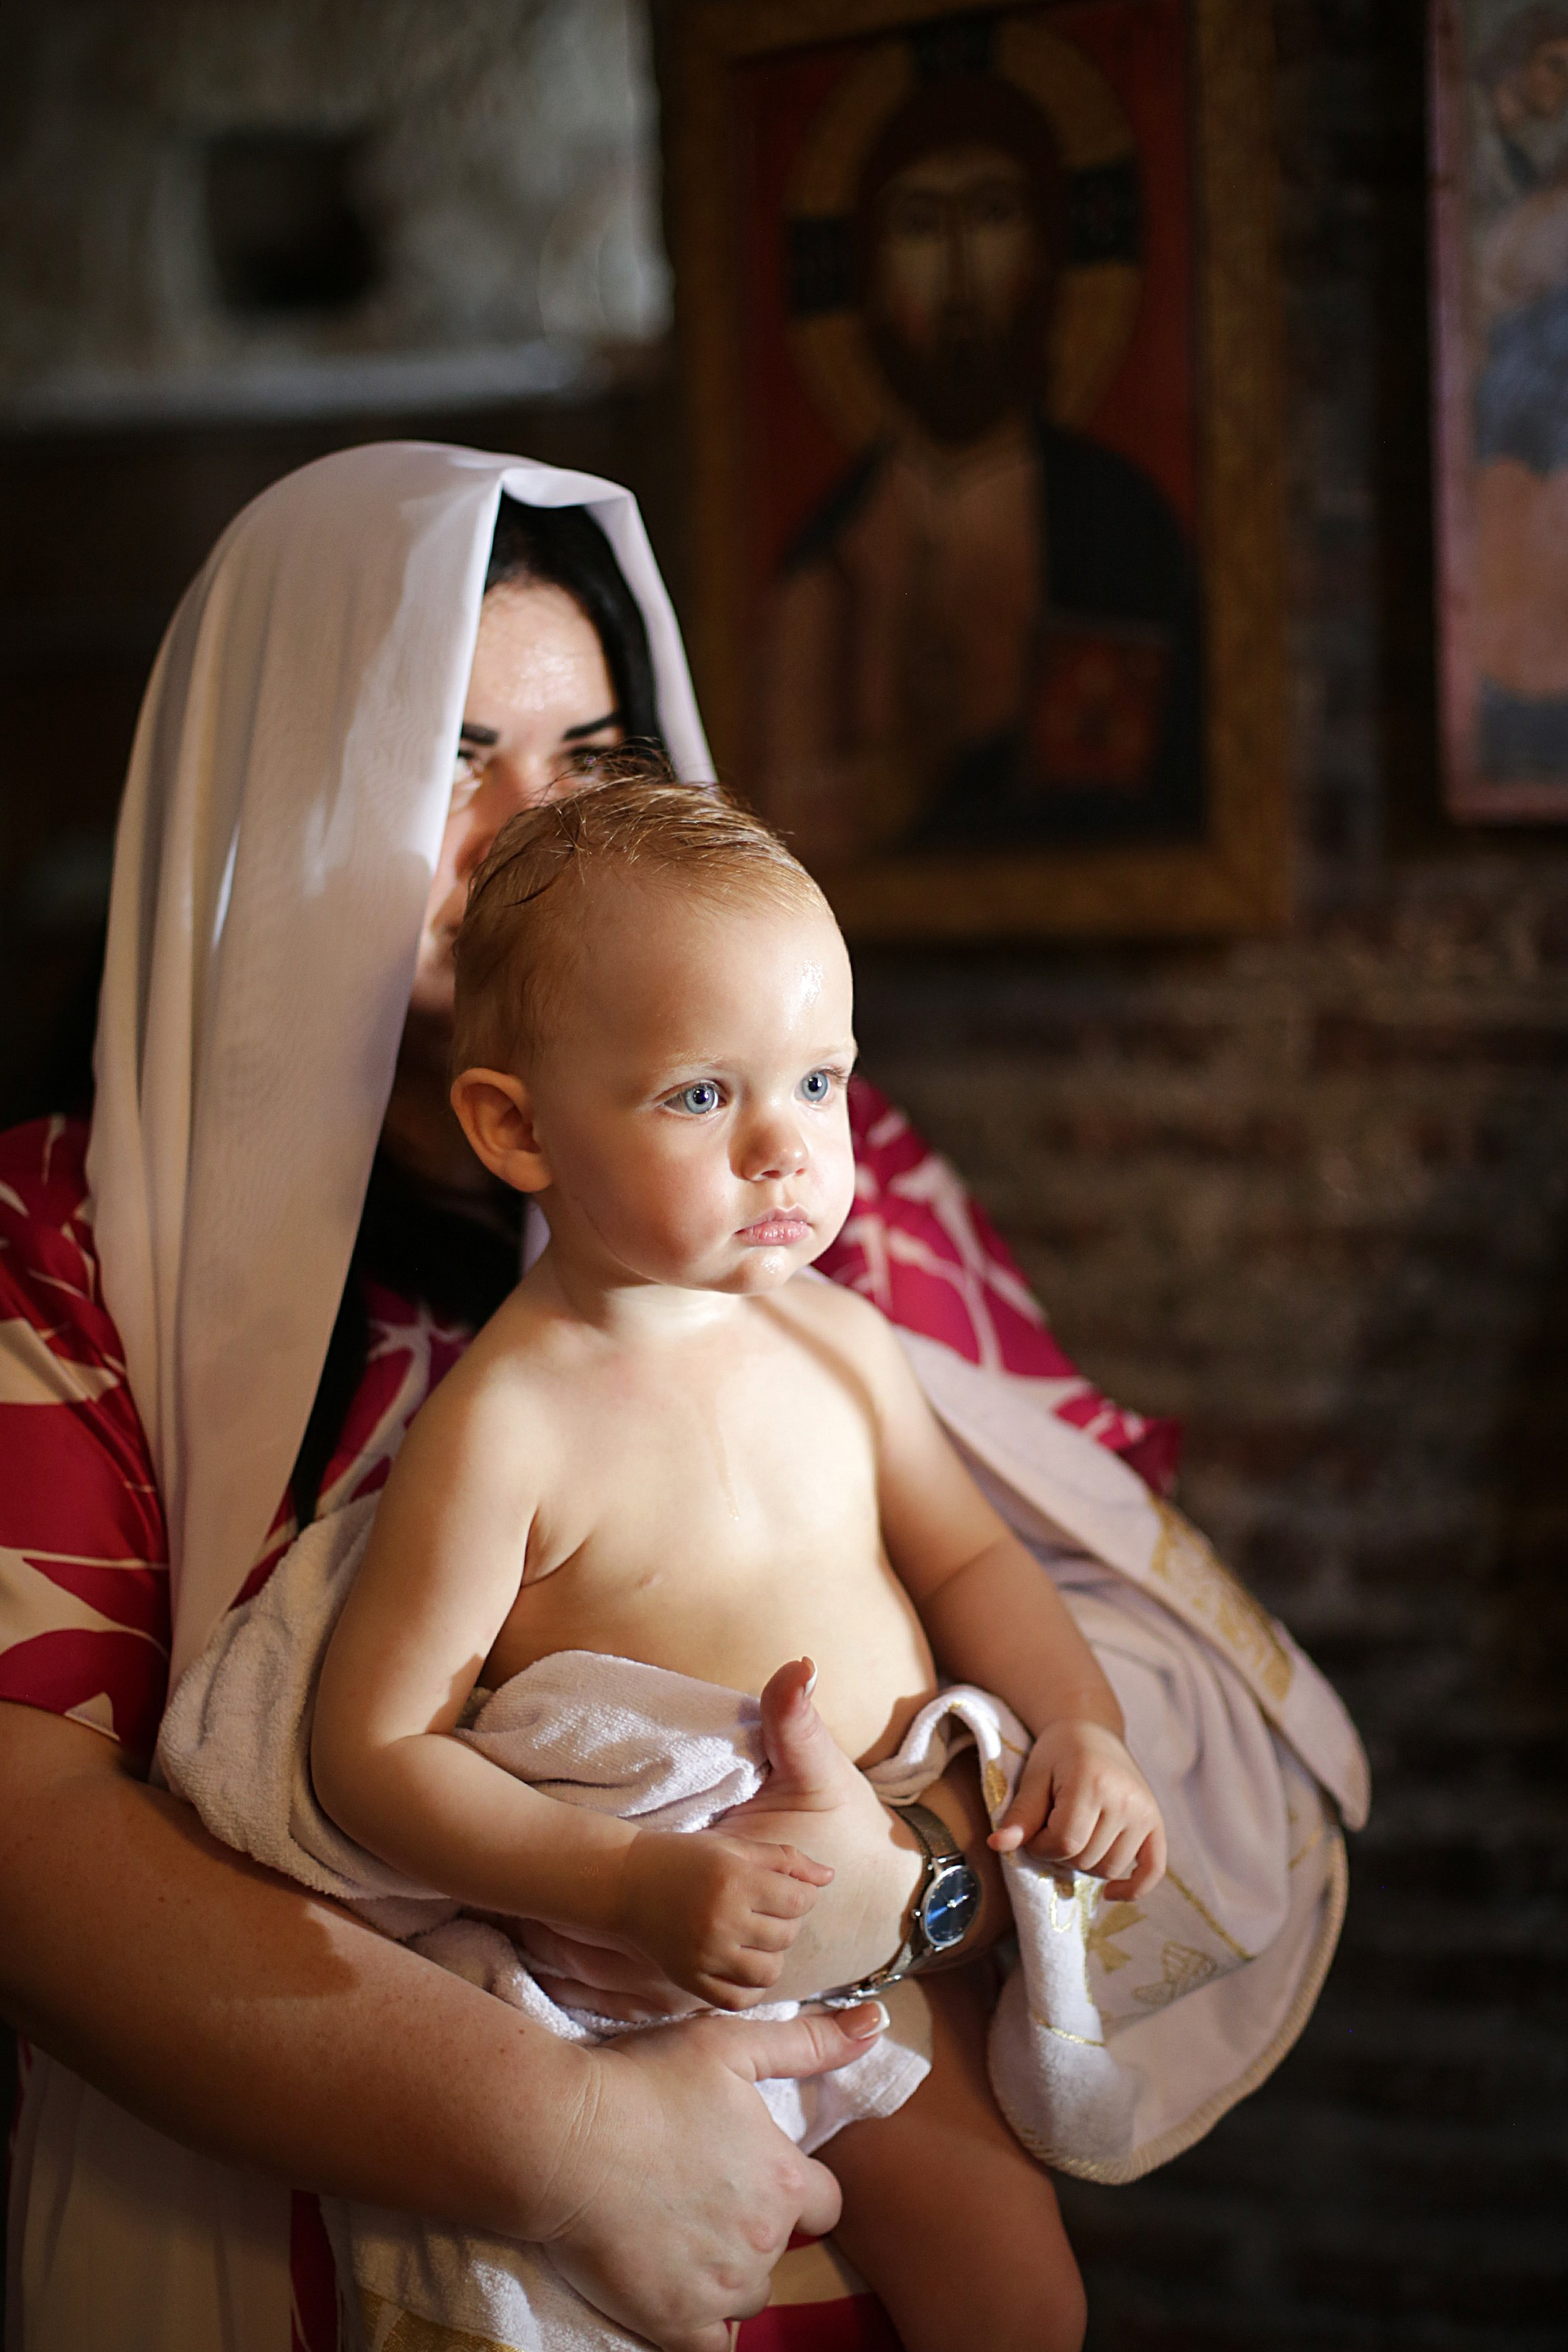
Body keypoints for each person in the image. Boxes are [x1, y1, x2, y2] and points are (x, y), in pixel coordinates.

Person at [0, 443, 1174, 2352]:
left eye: (595, 748)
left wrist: (923, 1893)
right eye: (450, 754)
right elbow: (21, 1816)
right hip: (285, 2242)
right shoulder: (62, 1236)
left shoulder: (807, 1188)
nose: (536, 821)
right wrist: (549, 2124)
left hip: (857, 2150)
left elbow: (1076, 1576)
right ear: (275, 793)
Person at [298, 769, 1164, 2351]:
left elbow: (971, 1560)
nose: (789, 1149)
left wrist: (1078, 1722)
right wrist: (625, 1881)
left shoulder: (839, 1343)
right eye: (704, 1095)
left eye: (820, 1082)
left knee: (1024, 2299)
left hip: (877, 1980)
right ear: (516, 1125)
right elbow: (370, 1750)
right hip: (640, 1993)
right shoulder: (507, 1424)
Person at [757, 66, 1201, 861]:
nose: (957, 275)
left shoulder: (1117, 525)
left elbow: (1126, 820)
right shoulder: (824, 564)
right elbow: (785, 850)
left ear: (1047, 256)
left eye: (992, 215)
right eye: (919, 226)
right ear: (869, 274)